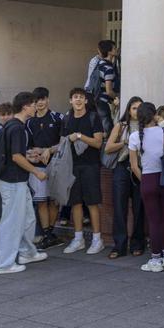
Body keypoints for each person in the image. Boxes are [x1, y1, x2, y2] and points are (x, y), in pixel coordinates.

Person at [0, 92, 49, 274]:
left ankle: (27, 252)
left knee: (27, 218)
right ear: (26, 106)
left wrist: (28, 156)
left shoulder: (14, 125)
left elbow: (16, 154)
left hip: (16, 180)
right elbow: (16, 156)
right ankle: (4, 264)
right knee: (11, 222)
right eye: (34, 103)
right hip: (13, 181)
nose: (37, 106)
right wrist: (36, 171)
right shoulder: (17, 128)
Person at [129, 102, 164, 272]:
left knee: (153, 220)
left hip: (148, 179)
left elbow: (134, 166)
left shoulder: (135, 136)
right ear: (154, 115)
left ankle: (155, 259)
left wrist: (145, 181)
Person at [62, 88, 106, 255]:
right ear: (70, 101)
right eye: (75, 97)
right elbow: (63, 142)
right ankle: (78, 238)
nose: (78, 100)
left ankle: (97, 239)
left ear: (86, 101)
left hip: (91, 165)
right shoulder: (67, 119)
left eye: (81, 97)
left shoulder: (93, 117)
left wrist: (80, 136)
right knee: (76, 203)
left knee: (92, 202)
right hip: (72, 166)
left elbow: (97, 143)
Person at [104, 98, 146, 259]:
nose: (137, 111)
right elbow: (108, 148)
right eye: (134, 108)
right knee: (119, 208)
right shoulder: (121, 126)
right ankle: (119, 245)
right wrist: (125, 142)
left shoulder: (147, 127)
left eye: (140, 108)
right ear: (128, 110)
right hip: (122, 168)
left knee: (139, 207)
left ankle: (138, 243)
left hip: (140, 169)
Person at [27, 88, 64, 248]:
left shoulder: (58, 117)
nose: (40, 103)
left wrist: (48, 150)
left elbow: (64, 142)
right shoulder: (29, 121)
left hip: (56, 165)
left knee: (55, 200)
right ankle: (46, 233)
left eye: (42, 99)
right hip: (37, 167)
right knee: (41, 201)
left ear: (48, 100)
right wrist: (33, 153)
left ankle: (50, 233)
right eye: (36, 101)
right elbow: (26, 146)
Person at [89, 40, 119, 132]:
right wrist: (118, 97)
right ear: (109, 51)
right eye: (114, 48)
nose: (116, 50)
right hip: (103, 101)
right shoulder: (108, 68)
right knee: (107, 129)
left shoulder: (99, 64)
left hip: (96, 99)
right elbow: (109, 90)